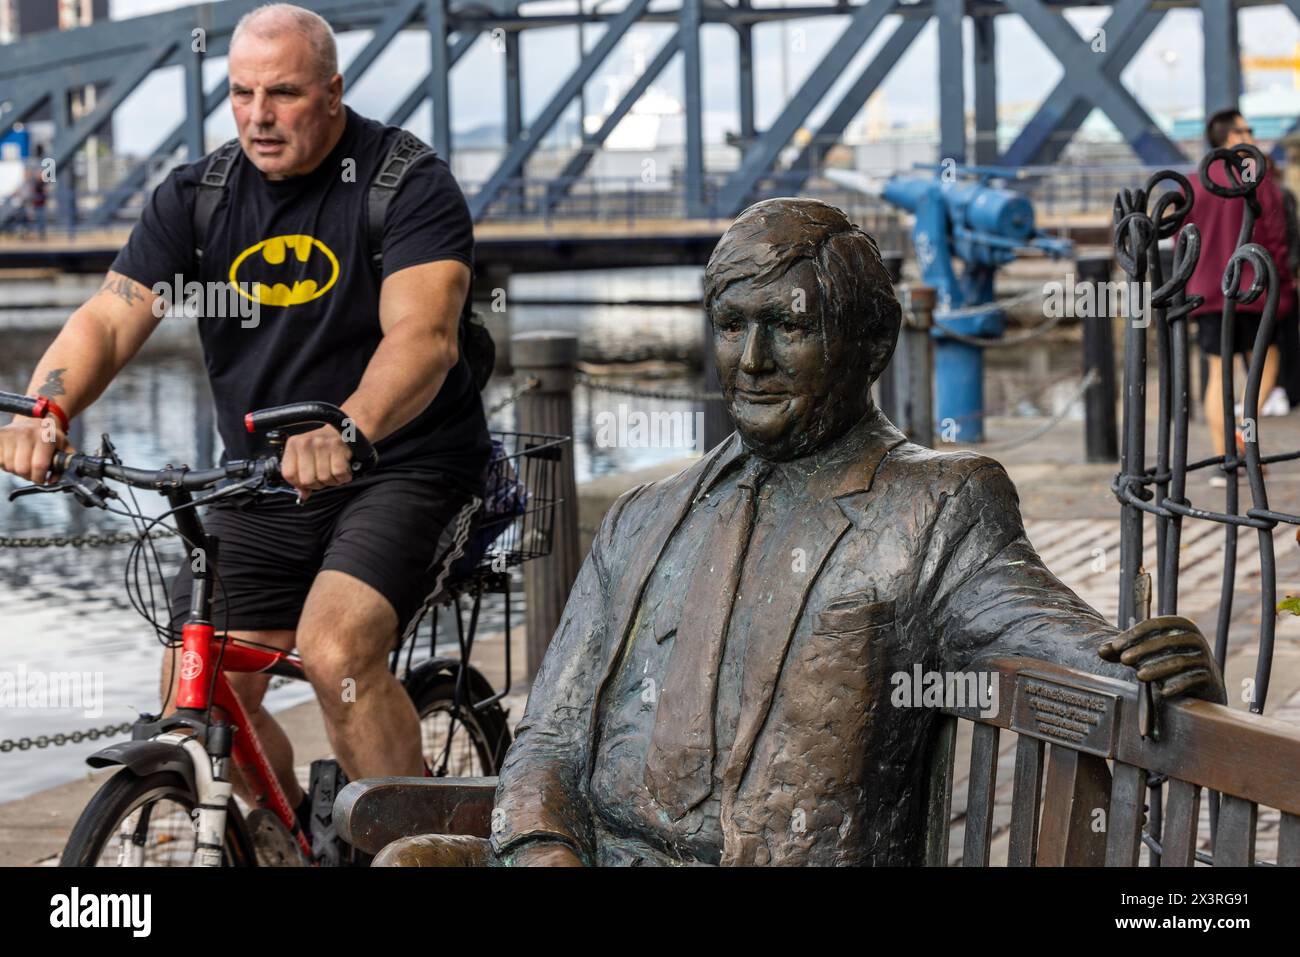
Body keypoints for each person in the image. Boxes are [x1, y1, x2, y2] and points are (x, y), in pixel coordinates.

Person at [402, 199, 1222, 867]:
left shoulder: (931, 506)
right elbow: (550, 730)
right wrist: (546, 851)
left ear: (868, 344)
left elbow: (1040, 628)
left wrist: (1139, 663)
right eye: (731, 325)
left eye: (788, 327)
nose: (751, 360)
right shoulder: (643, 516)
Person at [0, 4, 490, 837]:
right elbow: (112, 317)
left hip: (401, 466)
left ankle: (419, 851)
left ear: (333, 91)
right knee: (195, 681)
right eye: (240, 94)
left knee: (335, 652)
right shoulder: (199, 197)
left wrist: (348, 427)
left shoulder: (405, 181)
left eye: (284, 93)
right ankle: (292, 834)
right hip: (259, 478)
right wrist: (48, 408)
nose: (258, 117)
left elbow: (426, 336)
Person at [1186, 110, 1296, 479]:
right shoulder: (1254, 177)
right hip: (1253, 286)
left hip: (1209, 291)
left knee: (1219, 372)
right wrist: (1283, 285)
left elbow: (1184, 239)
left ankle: (1223, 461)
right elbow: (1276, 237)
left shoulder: (1195, 182)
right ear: (1228, 138)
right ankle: (1243, 435)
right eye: (1244, 130)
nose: (1251, 135)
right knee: (1265, 366)